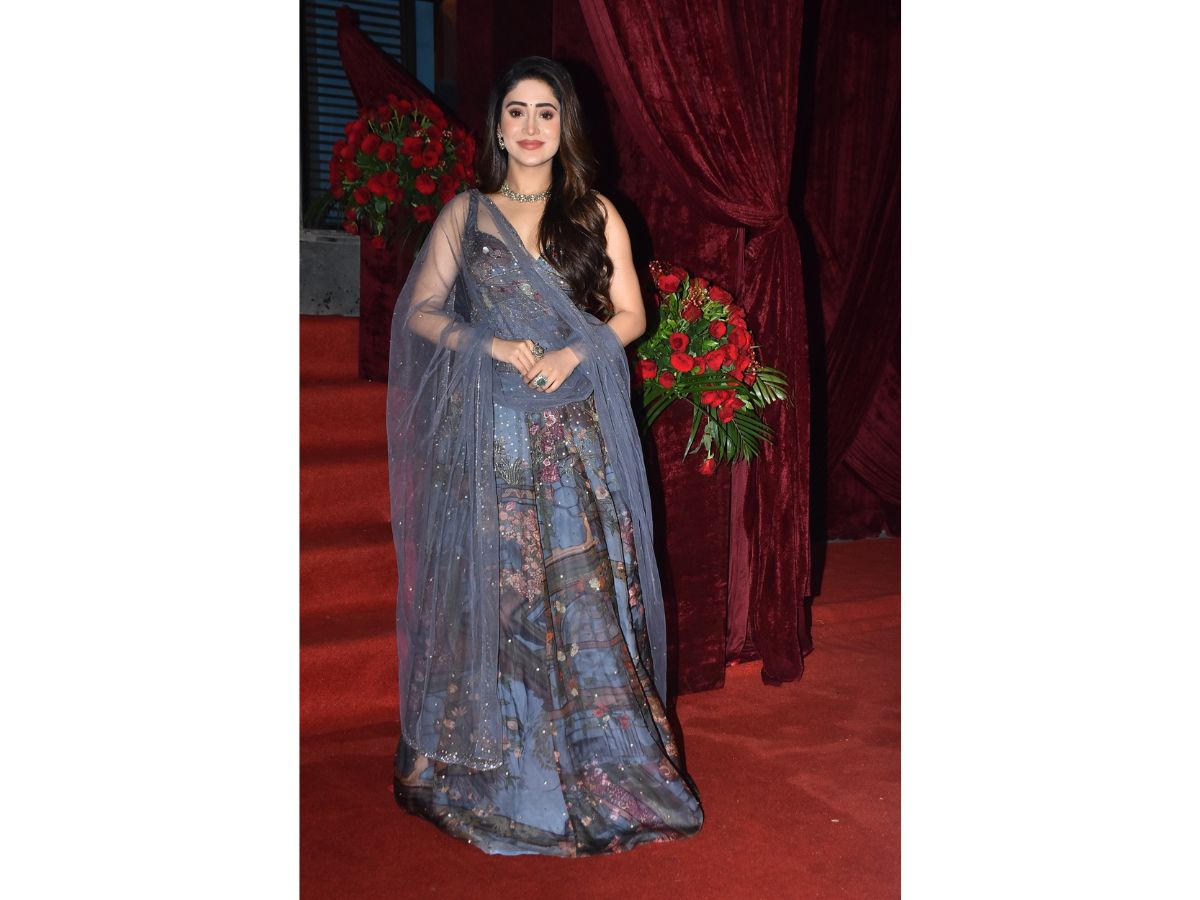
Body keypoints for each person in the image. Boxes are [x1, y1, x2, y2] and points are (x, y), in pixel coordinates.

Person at [387, 56, 703, 857]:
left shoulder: (594, 212)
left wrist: (575, 350)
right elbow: (420, 310)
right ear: (497, 126)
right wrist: (485, 342)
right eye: (517, 112)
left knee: (579, 590)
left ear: (566, 127)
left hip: (571, 436)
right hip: (488, 434)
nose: (531, 127)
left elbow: (631, 314)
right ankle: (498, 765)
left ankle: (597, 761)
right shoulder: (466, 214)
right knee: (496, 594)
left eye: (547, 113)